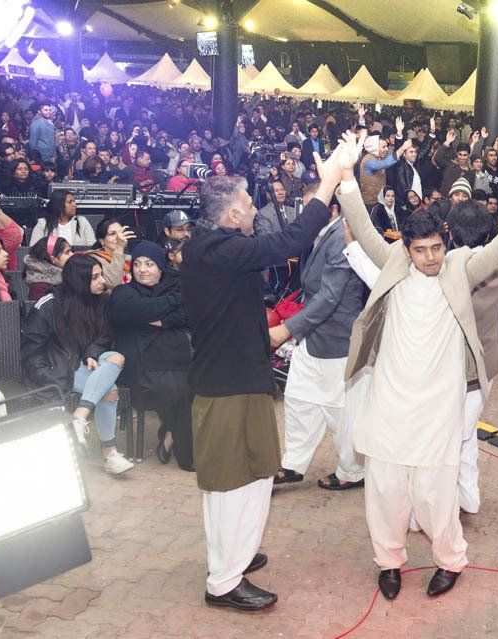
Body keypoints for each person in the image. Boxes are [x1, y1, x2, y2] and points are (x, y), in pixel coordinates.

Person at [336, 130, 498, 601]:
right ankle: (388, 561)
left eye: (435, 248)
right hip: (390, 399)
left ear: (444, 243)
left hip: (438, 402)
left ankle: (450, 560)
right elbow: (364, 231)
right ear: (406, 248)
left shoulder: (459, 267)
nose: (429, 259)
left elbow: (496, 250)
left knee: (435, 494)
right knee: (385, 490)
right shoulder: (392, 263)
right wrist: (348, 179)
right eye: (420, 250)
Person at [179, 144, 340, 612]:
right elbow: (288, 243)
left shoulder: (209, 247)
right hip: (230, 385)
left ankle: (234, 558)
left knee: (244, 478)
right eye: (249, 204)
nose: (255, 210)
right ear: (232, 215)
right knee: (238, 484)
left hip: (232, 377)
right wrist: (326, 185)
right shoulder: (221, 249)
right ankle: (224, 581)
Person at [270, 185, 367, 492]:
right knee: (299, 397)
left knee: (339, 411)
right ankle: (294, 464)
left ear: (333, 210)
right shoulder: (325, 233)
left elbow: (329, 297)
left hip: (337, 338)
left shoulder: (340, 236)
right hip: (314, 336)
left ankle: (353, 471)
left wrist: (288, 329)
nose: (306, 214)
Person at [21, 254, 132, 475]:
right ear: (80, 281)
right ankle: (109, 454)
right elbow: (31, 351)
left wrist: (91, 353)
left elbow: (105, 336)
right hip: (57, 370)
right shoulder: (49, 305)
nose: (102, 281)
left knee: (117, 357)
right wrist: (52, 378)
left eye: (101, 274)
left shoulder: (100, 300)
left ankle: (79, 417)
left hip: (83, 364)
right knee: (109, 391)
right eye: (95, 277)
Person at [109, 241, 194, 471]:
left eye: (149, 264)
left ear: (161, 268)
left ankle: (172, 435)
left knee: (194, 383)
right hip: (141, 367)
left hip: (175, 360)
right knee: (181, 387)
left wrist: (161, 320)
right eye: (136, 264)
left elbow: (190, 315)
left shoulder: (175, 285)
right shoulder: (123, 292)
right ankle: (176, 440)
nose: (142, 270)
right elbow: (132, 311)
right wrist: (173, 304)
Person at [29, 190, 96, 247]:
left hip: (78, 260)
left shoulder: (82, 221)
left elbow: (92, 246)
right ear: (59, 206)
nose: (74, 205)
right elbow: (33, 248)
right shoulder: (42, 223)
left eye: (74, 202)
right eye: (70, 202)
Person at [88, 218, 136, 291]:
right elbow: (114, 285)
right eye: (112, 234)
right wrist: (119, 247)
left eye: (120, 233)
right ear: (101, 241)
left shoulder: (131, 259)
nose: (118, 237)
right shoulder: (94, 260)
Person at [24, 236, 73, 300]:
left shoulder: (72, 276)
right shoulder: (39, 287)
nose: (72, 254)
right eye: (67, 252)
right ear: (53, 259)